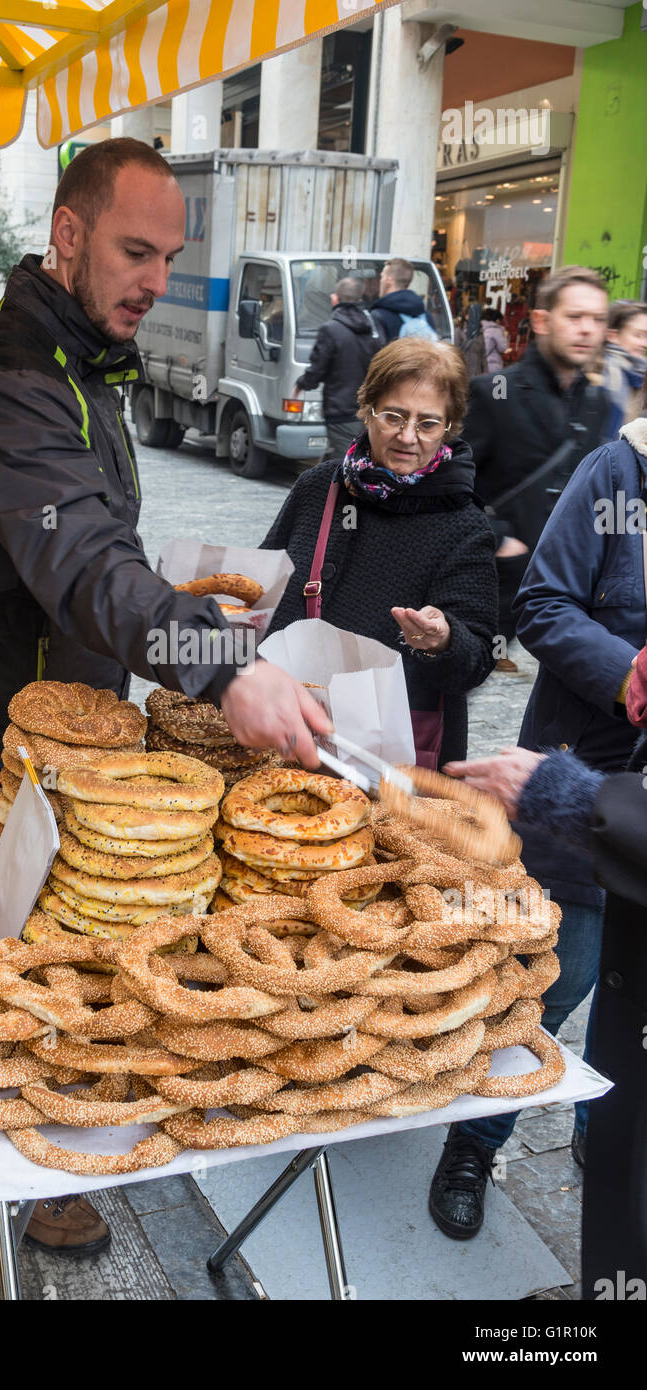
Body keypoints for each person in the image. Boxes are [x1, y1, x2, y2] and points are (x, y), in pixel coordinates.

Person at [0, 138, 329, 1255]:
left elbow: (106, 557)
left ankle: (59, 1133)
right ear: (68, 234)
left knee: (91, 945)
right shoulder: (10, 376)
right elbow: (87, 566)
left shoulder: (88, 359)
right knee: (27, 970)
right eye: (135, 250)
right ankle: (19, 1171)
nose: (155, 278)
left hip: (82, 719)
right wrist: (224, 665)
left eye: (170, 258)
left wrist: (184, 617)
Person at [427, 414, 647, 1242]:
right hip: (580, 778)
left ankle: (605, 1141)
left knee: (634, 1016)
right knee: (554, 982)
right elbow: (543, 605)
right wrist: (627, 670)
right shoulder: (615, 474)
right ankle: (472, 1146)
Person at [432, 705, 647, 1294]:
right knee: (541, 1002)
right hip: (596, 847)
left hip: (601, 817)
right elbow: (544, 610)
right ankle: (475, 1142)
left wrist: (567, 792)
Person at [261, 338, 498, 767]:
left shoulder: (464, 525)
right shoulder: (318, 488)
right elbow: (264, 587)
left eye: (428, 423)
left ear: (449, 427)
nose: (408, 436)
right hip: (288, 730)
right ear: (367, 409)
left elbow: (477, 659)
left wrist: (443, 640)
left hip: (392, 752)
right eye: (394, 416)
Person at [464, 265, 610, 673]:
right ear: (543, 321)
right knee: (445, 697)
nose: (587, 330)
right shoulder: (495, 392)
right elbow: (451, 485)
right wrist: (500, 540)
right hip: (491, 584)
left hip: (563, 590)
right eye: (575, 317)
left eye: (597, 320)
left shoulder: (595, 401)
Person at [292, 275, 384, 460]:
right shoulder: (373, 326)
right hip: (367, 408)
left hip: (340, 409)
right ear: (359, 299)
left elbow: (317, 369)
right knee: (349, 456)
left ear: (335, 299)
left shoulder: (331, 329)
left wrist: (301, 384)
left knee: (343, 462)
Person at [599, 298, 647, 437]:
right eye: (638, 335)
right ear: (613, 336)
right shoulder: (602, 375)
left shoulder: (638, 374)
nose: (644, 343)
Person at [371, 257, 437, 343]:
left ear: (388, 280)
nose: (380, 281)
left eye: (382, 276)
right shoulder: (425, 315)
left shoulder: (379, 315)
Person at [481, 307, 508, 372]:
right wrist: (504, 336)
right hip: (493, 365)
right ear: (497, 320)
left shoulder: (481, 328)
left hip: (480, 365)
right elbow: (503, 348)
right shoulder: (496, 330)